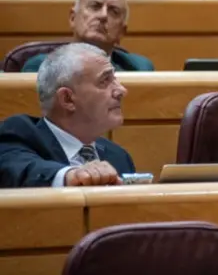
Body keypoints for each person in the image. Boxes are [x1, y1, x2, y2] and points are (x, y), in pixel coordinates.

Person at [0, 43, 134, 188]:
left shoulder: (119, 156)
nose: (122, 90)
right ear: (67, 99)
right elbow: (20, 170)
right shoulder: (18, 135)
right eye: (104, 81)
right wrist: (72, 175)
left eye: (114, 79)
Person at [21, 0, 154, 73]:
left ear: (121, 32)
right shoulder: (42, 67)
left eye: (114, 11)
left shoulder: (139, 69)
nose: (103, 15)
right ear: (73, 18)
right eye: (95, 6)